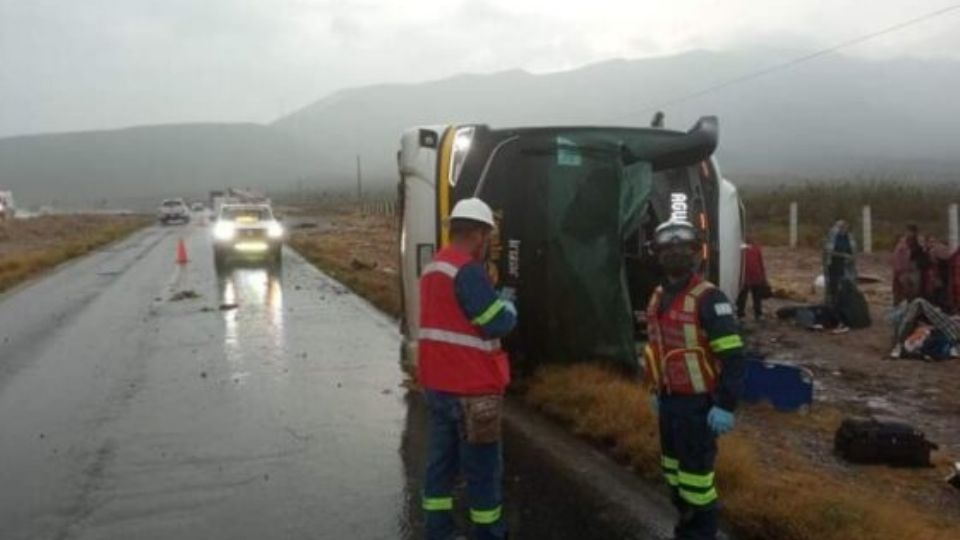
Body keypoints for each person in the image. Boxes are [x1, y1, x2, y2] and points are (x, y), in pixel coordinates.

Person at [418, 197, 517, 540]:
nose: (486, 242)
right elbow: (496, 323)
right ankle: (489, 534)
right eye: (487, 235)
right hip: (473, 391)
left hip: (437, 385)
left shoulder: (434, 267)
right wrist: (508, 304)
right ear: (478, 234)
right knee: (482, 471)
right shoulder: (468, 270)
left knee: (440, 467)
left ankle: (438, 532)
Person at [643, 219, 747, 540]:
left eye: (682, 246)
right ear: (657, 254)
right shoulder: (658, 297)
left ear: (695, 252)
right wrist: (656, 391)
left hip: (698, 407)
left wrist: (725, 405)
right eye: (668, 247)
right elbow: (657, 349)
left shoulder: (709, 299)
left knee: (697, 485)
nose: (675, 252)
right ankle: (686, 529)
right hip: (670, 403)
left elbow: (734, 358)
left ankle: (699, 534)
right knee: (675, 478)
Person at [822, 220, 858, 333]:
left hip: (846, 266)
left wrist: (851, 258)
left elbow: (854, 251)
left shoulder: (849, 237)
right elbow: (828, 251)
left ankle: (845, 308)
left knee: (846, 287)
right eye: (841, 227)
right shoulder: (832, 237)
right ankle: (831, 308)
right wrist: (843, 255)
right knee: (833, 287)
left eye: (845, 227)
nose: (843, 229)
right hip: (833, 265)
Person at [892, 225, 927, 305]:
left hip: (915, 268)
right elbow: (896, 257)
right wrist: (899, 271)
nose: (909, 233)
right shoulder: (902, 244)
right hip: (903, 270)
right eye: (908, 231)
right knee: (901, 291)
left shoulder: (919, 242)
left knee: (914, 291)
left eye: (910, 232)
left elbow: (923, 253)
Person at [736, 235, 767, 321]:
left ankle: (758, 314)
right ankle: (740, 314)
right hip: (745, 278)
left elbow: (761, 263)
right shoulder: (741, 249)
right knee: (742, 297)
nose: (751, 239)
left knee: (757, 298)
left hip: (755, 277)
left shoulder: (756, 248)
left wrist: (763, 277)